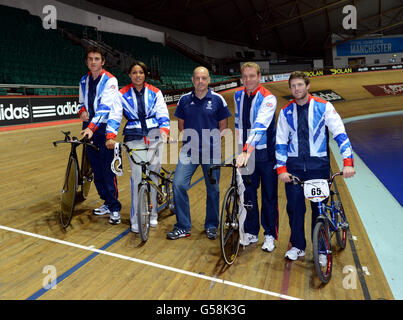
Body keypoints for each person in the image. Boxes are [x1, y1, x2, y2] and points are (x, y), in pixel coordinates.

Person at [276, 71, 355, 261]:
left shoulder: (324, 107)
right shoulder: (286, 111)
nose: (297, 89)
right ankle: (298, 246)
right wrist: (281, 169)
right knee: (295, 210)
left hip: (318, 168)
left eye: (300, 85)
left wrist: (348, 163)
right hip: (294, 169)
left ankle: (321, 250)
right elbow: (280, 141)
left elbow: (340, 134)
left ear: (308, 86)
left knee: (318, 211)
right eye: (293, 86)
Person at [166, 66, 231, 240]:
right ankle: (183, 226)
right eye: (197, 78)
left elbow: (223, 127)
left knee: (213, 190)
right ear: (193, 80)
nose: (200, 81)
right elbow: (181, 125)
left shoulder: (218, 99)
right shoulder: (184, 100)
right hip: (188, 151)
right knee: (178, 184)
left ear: (209, 80)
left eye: (204, 78)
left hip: (211, 153)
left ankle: (211, 225)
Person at [105, 61, 170, 233]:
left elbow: (162, 112)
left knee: (153, 176)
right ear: (130, 75)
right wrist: (110, 136)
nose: (138, 75)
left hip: (155, 136)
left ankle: (153, 214)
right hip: (134, 138)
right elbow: (115, 116)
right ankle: (136, 218)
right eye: (134, 72)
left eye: (140, 72)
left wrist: (164, 131)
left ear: (145, 74)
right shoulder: (121, 94)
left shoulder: (156, 92)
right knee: (136, 178)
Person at [234, 62, 279, 252]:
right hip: (246, 155)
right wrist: (239, 150)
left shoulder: (268, 98)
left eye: (252, 76)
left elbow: (260, 125)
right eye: (245, 76)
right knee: (248, 195)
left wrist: (246, 149)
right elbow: (238, 123)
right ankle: (251, 231)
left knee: (269, 196)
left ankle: (269, 234)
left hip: (265, 155)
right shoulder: (238, 95)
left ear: (259, 77)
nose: (248, 80)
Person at [79, 45, 122, 225]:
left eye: (97, 59)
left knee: (107, 170)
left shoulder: (111, 80)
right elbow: (81, 101)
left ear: (103, 62)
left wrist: (91, 127)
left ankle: (114, 208)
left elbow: (104, 108)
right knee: (96, 170)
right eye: (90, 59)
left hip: (104, 129)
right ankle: (106, 201)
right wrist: (81, 110)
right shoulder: (83, 80)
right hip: (89, 127)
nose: (93, 62)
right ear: (87, 61)